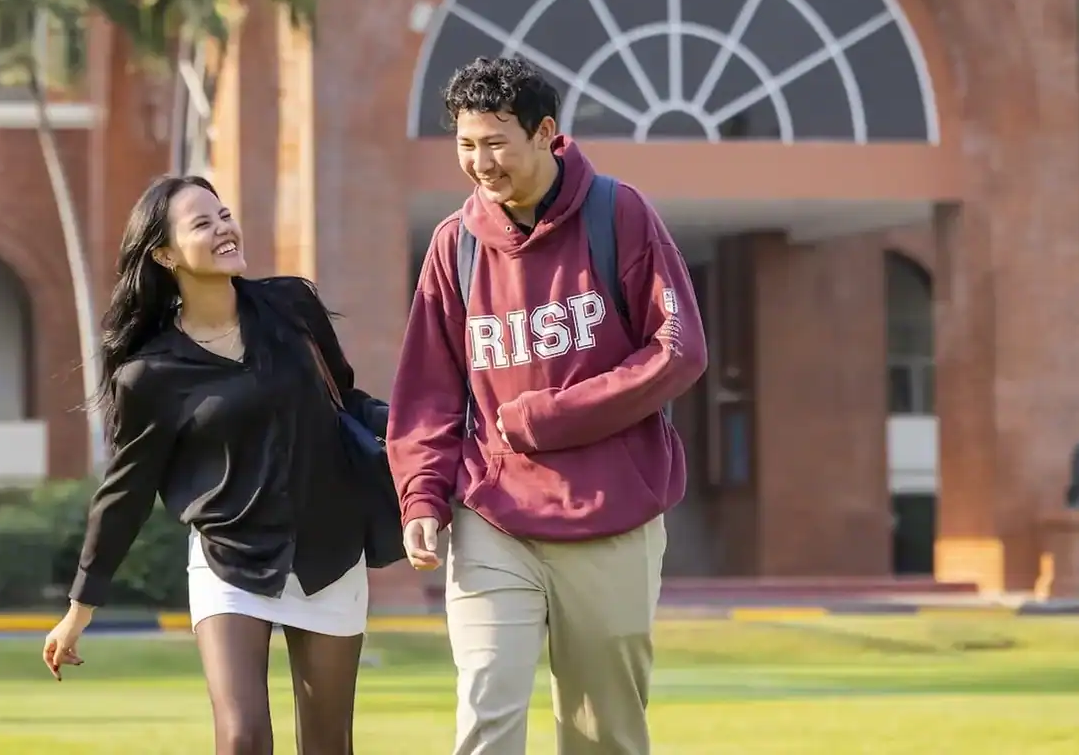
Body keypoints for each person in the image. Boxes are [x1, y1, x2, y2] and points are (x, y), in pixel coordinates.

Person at [387, 56, 709, 755]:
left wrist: (547, 416)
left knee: (603, 734)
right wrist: (420, 500)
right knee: (486, 713)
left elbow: (677, 350)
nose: (479, 162)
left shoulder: (618, 214)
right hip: (492, 513)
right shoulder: (455, 245)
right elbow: (428, 392)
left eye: (495, 142)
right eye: (466, 145)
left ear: (545, 133)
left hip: (611, 515)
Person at [42, 174, 389, 755]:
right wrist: (80, 609)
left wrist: (415, 427)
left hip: (330, 551)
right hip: (230, 561)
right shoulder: (149, 374)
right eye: (202, 223)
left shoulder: (291, 307)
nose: (224, 228)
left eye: (224, 214)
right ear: (164, 254)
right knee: (242, 737)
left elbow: (347, 400)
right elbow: (124, 492)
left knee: (329, 744)